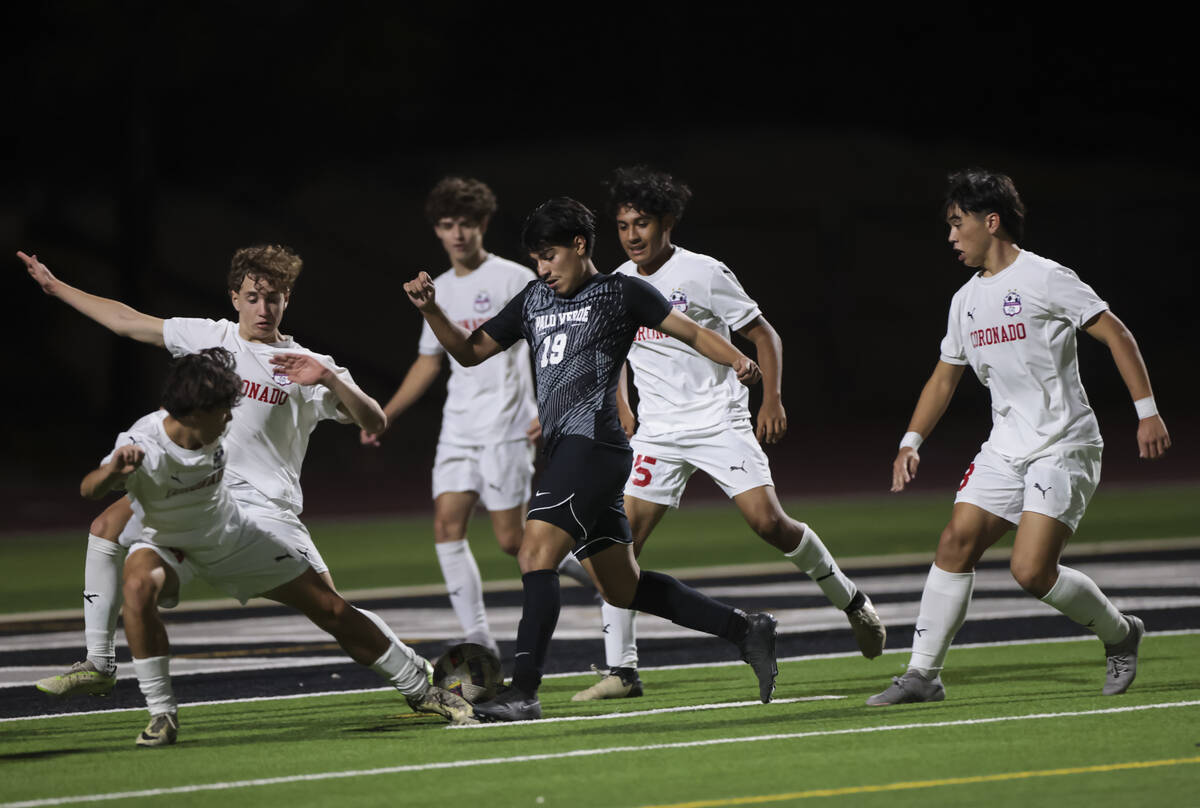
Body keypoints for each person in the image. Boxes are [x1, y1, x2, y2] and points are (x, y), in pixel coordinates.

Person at [404, 197, 779, 722]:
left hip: (596, 448)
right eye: (536, 259)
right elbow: (469, 353)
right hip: (564, 452)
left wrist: (737, 356)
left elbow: (691, 331)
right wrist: (431, 309)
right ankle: (745, 629)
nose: (542, 269)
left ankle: (525, 691)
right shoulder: (534, 298)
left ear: (579, 245)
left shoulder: (620, 292)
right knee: (619, 586)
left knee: (534, 553)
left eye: (550, 256)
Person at [19, 245, 407, 697]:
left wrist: (330, 379)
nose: (264, 308)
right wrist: (55, 286)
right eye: (254, 296)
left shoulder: (305, 364)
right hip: (205, 490)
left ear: (287, 300)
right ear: (235, 297)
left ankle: (422, 677)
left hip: (267, 507)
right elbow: (128, 321)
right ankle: (100, 661)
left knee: (333, 609)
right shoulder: (212, 337)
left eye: (275, 297)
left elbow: (375, 421)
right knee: (106, 525)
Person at [573, 166, 886, 701]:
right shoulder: (619, 283)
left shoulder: (704, 272)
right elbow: (617, 353)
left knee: (769, 524)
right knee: (618, 548)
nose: (631, 235)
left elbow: (763, 334)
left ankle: (854, 603)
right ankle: (621, 671)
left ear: (667, 222)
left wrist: (772, 398)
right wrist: (623, 404)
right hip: (660, 433)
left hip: (719, 419)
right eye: (623, 225)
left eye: (641, 223)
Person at [867, 168, 1172, 706]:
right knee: (954, 543)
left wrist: (1147, 412)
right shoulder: (964, 300)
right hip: (1005, 446)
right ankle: (922, 675)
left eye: (958, 224)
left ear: (992, 221)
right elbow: (945, 376)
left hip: (1064, 443)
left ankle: (1120, 632)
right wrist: (911, 440)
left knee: (1031, 571)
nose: (951, 237)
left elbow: (1116, 333)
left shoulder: (1047, 277)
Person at [79, 348, 474, 746]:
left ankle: (421, 689)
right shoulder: (145, 443)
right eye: (223, 412)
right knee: (136, 587)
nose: (231, 419)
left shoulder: (211, 425)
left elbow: (371, 418)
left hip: (232, 536)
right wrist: (113, 471)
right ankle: (161, 713)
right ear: (194, 412)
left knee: (330, 606)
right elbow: (90, 487)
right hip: (170, 544)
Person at [362, 177, 538, 658]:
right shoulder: (436, 289)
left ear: (482, 224)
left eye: (465, 223)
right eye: (446, 225)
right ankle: (479, 638)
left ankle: (603, 577)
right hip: (458, 427)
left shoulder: (514, 278)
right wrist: (386, 414)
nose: (457, 234)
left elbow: (548, 347)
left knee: (512, 541)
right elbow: (429, 360)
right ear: (437, 231)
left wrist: (549, 408)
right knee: (446, 526)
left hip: (506, 423)